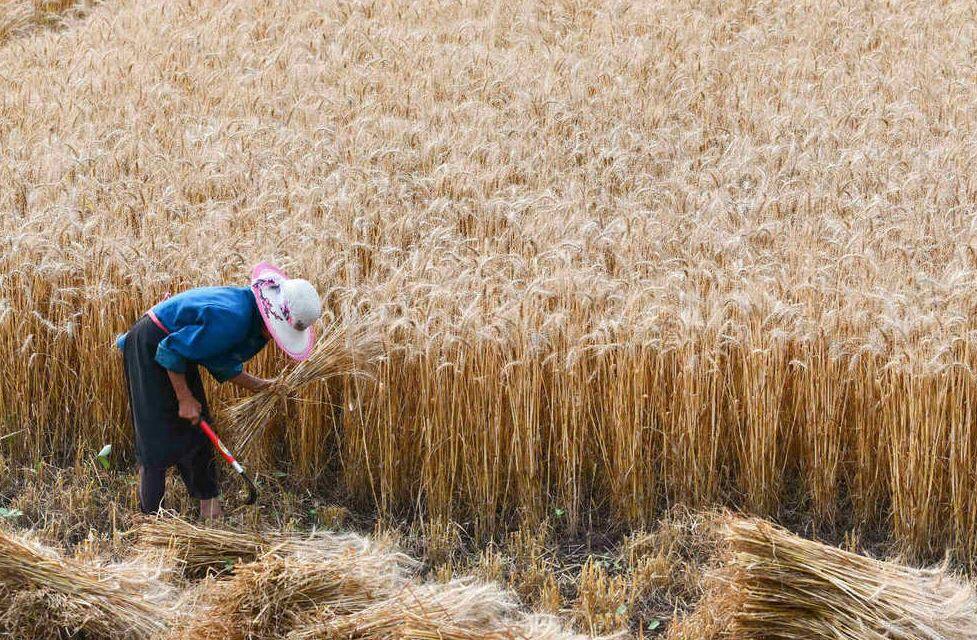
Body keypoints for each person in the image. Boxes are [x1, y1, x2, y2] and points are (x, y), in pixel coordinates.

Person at [116, 262, 321, 518]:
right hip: (150, 344)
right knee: (156, 436)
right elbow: (169, 349)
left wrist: (262, 386)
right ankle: (151, 520)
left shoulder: (247, 317)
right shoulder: (233, 318)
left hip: (176, 349)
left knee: (199, 427)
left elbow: (216, 358)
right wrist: (184, 398)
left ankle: (210, 510)